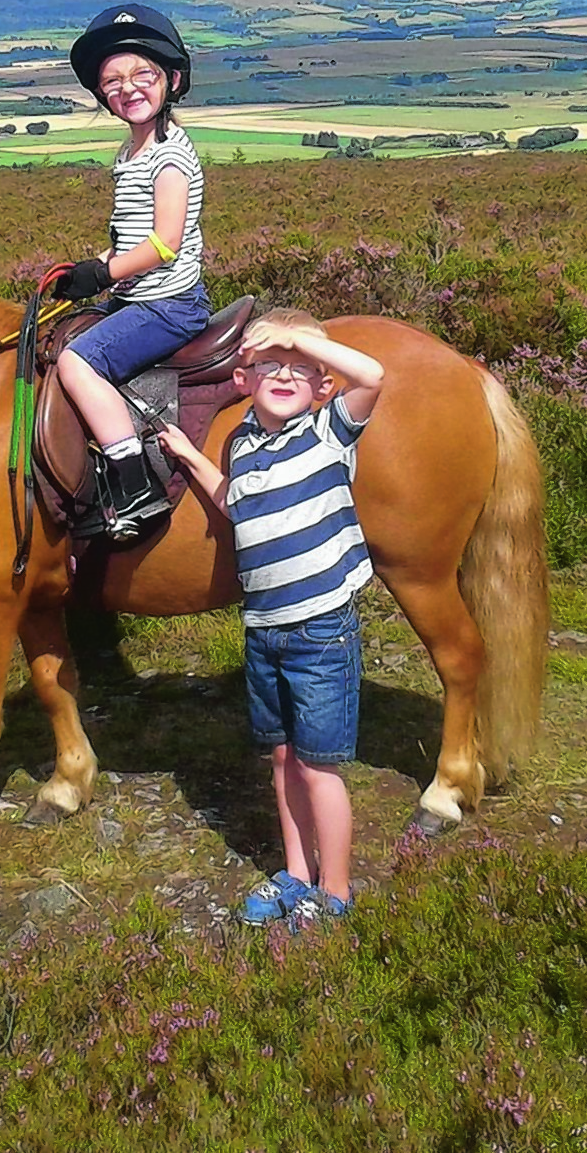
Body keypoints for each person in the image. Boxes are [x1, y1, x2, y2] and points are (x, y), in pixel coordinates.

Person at [157, 308, 384, 930]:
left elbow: (374, 374)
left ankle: (334, 893)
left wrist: (292, 337)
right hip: (264, 629)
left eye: (300, 369)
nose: (284, 374)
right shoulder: (244, 442)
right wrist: (187, 455)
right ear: (244, 376)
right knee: (282, 759)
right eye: (270, 366)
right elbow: (234, 501)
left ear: (323, 385)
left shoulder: (328, 431)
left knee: (319, 766)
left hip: (320, 629)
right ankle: (295, 873)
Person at [50, 3, 210, 542]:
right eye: (113, 81)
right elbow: (130, 236)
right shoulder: (133, 149)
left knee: (76, 364)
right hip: (138, 295)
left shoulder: (169, 157)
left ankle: (135, 484)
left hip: (167, 304)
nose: (128, 88)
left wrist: (104, 272)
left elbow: (164, 243)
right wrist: (89, 271)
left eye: (143, 75)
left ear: (172, 80)